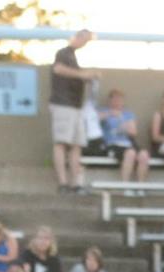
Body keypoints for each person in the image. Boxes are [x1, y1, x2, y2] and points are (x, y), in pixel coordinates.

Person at [48, 29, 95, 194]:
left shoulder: (74, 57)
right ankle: (63, 182)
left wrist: (88, 77)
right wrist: (82, 74)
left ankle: (76, 183)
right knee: (61, 142)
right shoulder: (63, 53)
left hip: (76, 106)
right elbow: (59, 69)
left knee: (77, 145)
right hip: (63, 104)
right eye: (84, 39)